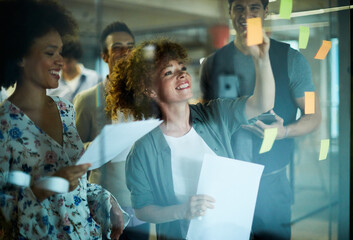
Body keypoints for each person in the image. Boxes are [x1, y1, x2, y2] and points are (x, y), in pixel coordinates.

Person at [106, 36, 274, 239]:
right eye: (169, 72)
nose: (182, 75)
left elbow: (261, 104)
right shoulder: (143, 149)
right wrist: (182, 211)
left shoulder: (215, 114)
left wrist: (262, 59)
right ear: (150, 89)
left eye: (182, 68)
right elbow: (142, 209)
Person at [0, 0, 126, 239]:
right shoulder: (4, 124)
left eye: (60, 51)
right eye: (50, 53)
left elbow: (78, 183)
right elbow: (5, 213)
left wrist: (108, 202)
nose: (60, 60)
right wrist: (47, 185)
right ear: (19, 57)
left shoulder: (65, 109)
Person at [200, 0, 322, 239]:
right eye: (239, 8)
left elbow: (314, 116)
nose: (246, 14)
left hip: (271, 182)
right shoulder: (212, 64)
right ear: (230, 12)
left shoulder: (292, 60)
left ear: (266, 11)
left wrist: (284, 132)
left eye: (254, 7)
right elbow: (207, 121)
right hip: (226, 183)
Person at [73, 22, 150, 239]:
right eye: (117, 47)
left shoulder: (146, 98)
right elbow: (72, 152)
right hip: (104, 206)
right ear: (104, 56)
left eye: (130, 46)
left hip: (142, 204)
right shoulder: (87, 99)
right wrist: (102, 146)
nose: (125, 52)